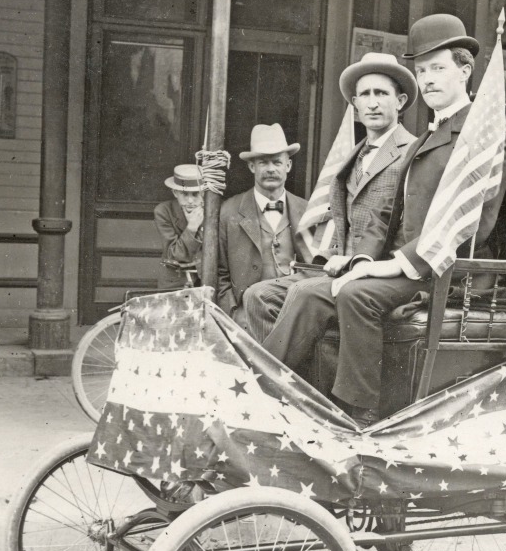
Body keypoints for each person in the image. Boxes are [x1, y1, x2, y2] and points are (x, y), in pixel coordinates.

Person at [262, 13, 505, 427]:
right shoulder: (430, 135)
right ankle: (273, 392)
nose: (427, 79)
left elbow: (469, 225)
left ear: (465, 71)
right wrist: (359, 261)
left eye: (438, 69)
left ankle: (357, 413)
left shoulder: (477, 135)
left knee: (357, 296)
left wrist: (390, 264)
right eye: (421, 70)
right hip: (406, 266)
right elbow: (389, 214)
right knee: (308, 292)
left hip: (444, 269)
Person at [242, 52, 416, 342]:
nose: (372, 102)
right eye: (364, 95)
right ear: (355, 105)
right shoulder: (353, 155)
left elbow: (406, 232)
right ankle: (293, 381)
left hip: (377, 274)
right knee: (258, 295)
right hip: (337, 266)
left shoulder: (411, 154)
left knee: (301, 293)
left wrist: (355, 262)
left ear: (399, 102)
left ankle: (264, 379)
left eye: (381, 93)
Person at [215, 124, 310, 325]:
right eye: (263, 163)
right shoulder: (229, 211)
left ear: (288, 166)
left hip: (294, 318)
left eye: (277, 162)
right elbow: (219, 273)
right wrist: (234, 314)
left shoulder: (307, 210)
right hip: (246, 319)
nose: (270, 169)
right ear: (252, 167)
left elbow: (314, 270)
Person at [152, 157, 225, 289]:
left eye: (195, 194)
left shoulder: (215, 210)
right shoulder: (164, 211)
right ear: (175, 192)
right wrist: (191, 227)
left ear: (204, 193)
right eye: (184, 194)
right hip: (175, 281)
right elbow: (174, 254)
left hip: (208, 280)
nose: (190, 201)